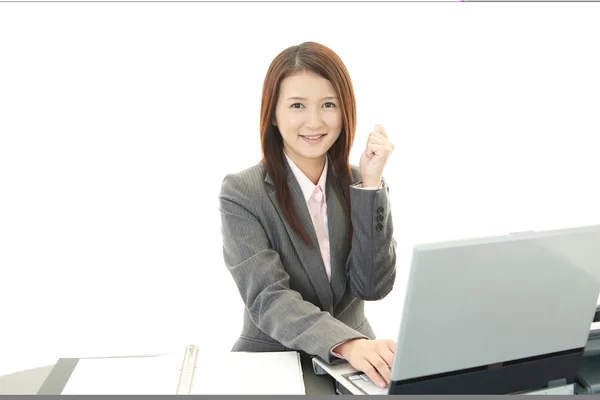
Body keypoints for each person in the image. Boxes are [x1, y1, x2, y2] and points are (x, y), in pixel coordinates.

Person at [218, 41, 397, 389]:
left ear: (345, 111)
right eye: (297, 105)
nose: (314, 121)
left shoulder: (361, 183)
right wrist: (348, 344)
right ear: (273, 113)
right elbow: (268, 298)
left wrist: (371, 186)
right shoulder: (243, 192)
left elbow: (372, 287)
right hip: (273, 362)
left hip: (358, 369)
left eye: (328, 104)